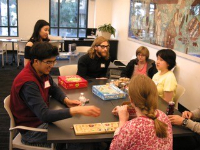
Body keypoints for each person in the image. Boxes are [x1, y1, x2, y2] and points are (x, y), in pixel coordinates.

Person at [10, 42, 100, 147]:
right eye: (48, 62)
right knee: (75, 133)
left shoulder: (41, 72)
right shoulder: (28, 83)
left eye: (53, 61)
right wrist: (76, 110)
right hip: (32, 131)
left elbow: (53, 88)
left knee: (76, 128)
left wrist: (66, 100)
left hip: (39, 120)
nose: (52, 66)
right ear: (36, 61)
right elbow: (45, 115)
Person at [110, 75, 173, 150]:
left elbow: (114, 148)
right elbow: (146, 115)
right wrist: (130, 111)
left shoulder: (131, 128)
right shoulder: (163, 116)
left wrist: (122, 122)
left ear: (131, 99)